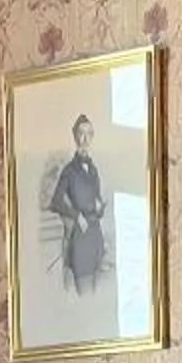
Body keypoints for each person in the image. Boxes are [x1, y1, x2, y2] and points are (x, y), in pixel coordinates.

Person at [50, 115, 109, 296]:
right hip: (80, 240)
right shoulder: (69, 171)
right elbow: (56, 202)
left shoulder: (93, 170)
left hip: (96, 238)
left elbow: (96, 199)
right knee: (85, 292)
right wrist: (76, 216)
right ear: (75, 136)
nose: (85, 139)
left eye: (89, 134)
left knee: (99, 295)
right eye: (81, 133)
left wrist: (100, 207)